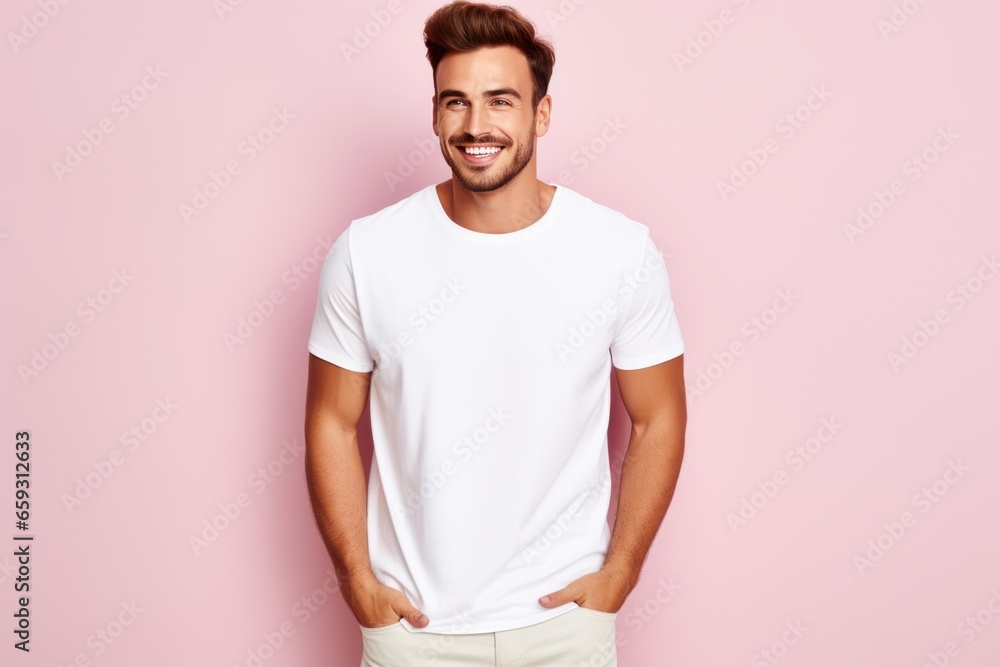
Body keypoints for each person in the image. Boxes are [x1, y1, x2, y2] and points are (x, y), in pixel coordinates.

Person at [304, 2, 687, 664]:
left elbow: (659, 416)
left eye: (501, 101)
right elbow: (331, 423)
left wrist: (621, 570)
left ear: (541, 113)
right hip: (413, 632)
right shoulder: (367, 253)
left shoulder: (618, 251)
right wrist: (357, 581)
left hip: (564, 627)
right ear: (434, 114)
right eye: (455, 102)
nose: (477, 125)